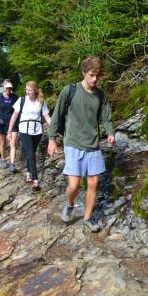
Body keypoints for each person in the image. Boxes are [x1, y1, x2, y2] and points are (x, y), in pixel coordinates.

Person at [47, 56, 115, 233]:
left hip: (93, 145)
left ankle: (87, 217)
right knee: (74, 186)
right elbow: (57, 116)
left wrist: (111, 133)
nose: (95, 79)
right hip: (73, 144)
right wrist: (52, 139)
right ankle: (69, 205)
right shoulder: (70, 91)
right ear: (84, 72)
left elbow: (106, 117)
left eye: (97, 76)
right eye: (91, 75)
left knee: (93, 183)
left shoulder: (100, 95)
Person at [7, 81, 51, 191]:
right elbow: (14, 116)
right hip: (24, 130)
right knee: (31, 154)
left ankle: (28, 172)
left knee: (31, 153)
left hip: (37, 131)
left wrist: (55, 129)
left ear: (35, 90)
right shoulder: (21, 100)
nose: (27, 92)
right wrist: (9, 130)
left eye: (29, 91)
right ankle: (35, 181)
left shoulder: (41, 101)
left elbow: (47, 116)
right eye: (26, 90)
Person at [0, 80, 19, 170]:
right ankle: (3, 159)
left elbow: (19, 109)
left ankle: (12, 164)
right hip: (1, 123)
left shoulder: (15, 97)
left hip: (13, 123)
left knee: (13, 143)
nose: (8, 90)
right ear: (3, 88)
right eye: (7, 88)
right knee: (3, 143)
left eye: (10, 88)